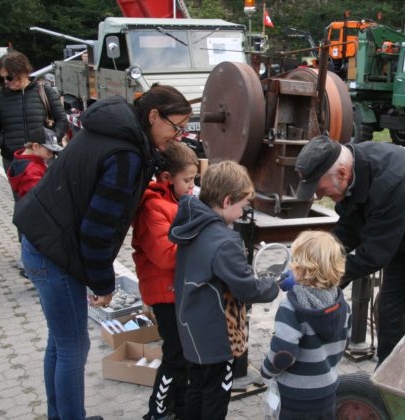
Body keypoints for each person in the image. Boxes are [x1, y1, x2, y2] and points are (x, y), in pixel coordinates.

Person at [12, 84, 192, 420]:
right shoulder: (126, 156)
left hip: (41, 237)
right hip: (54, 251)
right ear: (153, 116)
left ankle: (61, 415)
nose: (178, 136)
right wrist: (104, 285)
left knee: (61, 341)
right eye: (175, 127)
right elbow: (97, 230)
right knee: (73, 346)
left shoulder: (115, 128)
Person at [295, 135, 405, 364]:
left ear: (341, 173)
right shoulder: (353, 168)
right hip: (402, 242)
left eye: (319, 188)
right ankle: (389, 382)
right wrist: (320, 259)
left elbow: (373, 254)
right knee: (392, 318)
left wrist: (324, 278)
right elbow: (350, 227)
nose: (318, 196)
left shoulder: (395, 181)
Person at [169, 160, 280, 419]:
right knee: (216, 396)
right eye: (242, 207)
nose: (243, 214)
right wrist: (272, 286)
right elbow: (246, 289)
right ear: (228, 201)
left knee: (196, 388)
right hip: (216, 337)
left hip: (191, 327)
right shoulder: (225, 242)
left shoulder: (192, 223)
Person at [132, 141, 199, 420]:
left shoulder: (179, 201)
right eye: (187, 180)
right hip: (164, 293)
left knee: (183, 355)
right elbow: (166, 256)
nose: (192, 186)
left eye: (194, 180)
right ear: (167, 178)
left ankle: (179, 408)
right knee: (175, 355)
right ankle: (157, 411)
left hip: (177, 291)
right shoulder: (153, 209)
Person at [261, 230, 351, 420]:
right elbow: (345, 342)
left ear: (301, 268)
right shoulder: (342, 304)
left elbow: (283, 354)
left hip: (295, 397)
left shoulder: (291, 308)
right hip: (327, 390)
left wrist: (267, 369)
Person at [0, 50, 67, 270]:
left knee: (50, 201)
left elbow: (61, 120)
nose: (7, 82)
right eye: (3, 78)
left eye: (10, 77)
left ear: (23, 72)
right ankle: (27, 251)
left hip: (44, 159)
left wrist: (49, 142)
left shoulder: (44, 90)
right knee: (23, 205)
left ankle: (53, 247)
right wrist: (5, 144)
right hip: (15, 159)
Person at [6, 126, 62, 198]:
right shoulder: (31, 171)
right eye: (49, 150)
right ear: (35, 146)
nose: (51, 155)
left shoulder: (21, 159)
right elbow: (42, 196)